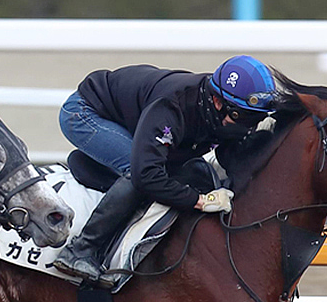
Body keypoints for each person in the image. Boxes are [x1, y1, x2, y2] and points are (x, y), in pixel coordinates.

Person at [53, 55, 280, 289]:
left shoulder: (223, 111)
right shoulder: (174, 105)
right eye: (243, 117)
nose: (248, 126)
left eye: (257, 118)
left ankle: (92, 167)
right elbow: (146, 175)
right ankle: (79, 251)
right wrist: (200, 201)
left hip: (133, 118)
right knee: (138, 172)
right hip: (85, 113)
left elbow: (232, 156)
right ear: (218, 102)